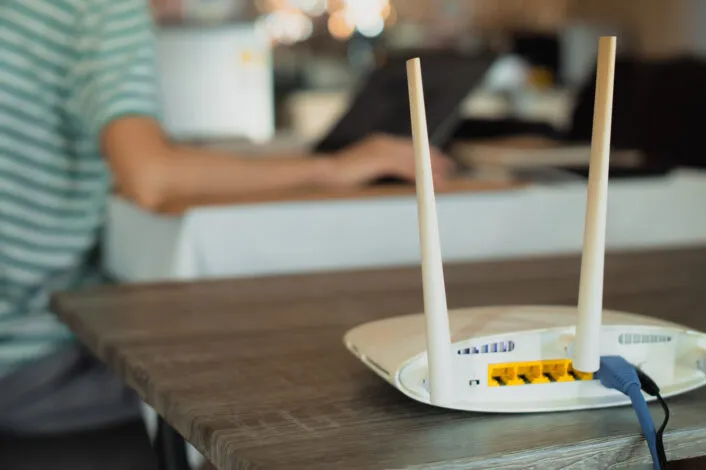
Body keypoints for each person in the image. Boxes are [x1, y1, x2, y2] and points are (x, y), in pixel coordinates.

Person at [0, 0, 450, 454]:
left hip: (25, 341)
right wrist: (331, 169)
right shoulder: (103, 9)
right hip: (27, 359)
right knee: (292, 373)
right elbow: (150, 178)